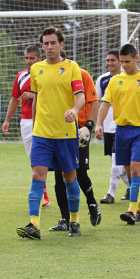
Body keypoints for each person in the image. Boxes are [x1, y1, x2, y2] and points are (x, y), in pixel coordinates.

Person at [17, 26, 85, 240]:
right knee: (37, 175)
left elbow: (80, 95)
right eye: (45, 43)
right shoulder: (36, 69)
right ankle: (34, 224)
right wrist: (36, 124)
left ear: (61, 44)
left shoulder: (72, 67)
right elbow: (37, 97)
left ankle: (74, 221)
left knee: (69, 178)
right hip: (42, 134)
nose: (49, 47)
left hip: (65, 135)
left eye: (53, 43)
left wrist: (74, 110)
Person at [96, 43, 140, 224]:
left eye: (127, 61)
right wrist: (98, 124)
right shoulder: (115, 81)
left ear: (136, 58)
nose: (124, 65)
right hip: (122, 131)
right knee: (129, 172)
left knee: (136, 170)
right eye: (122, 62)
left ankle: (131, 211)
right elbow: (105, 103)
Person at [51, 64, 101, 231]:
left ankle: (92, 202)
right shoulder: (52, 76)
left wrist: (88, 125)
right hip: (59, 131)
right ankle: (65, 219)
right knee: (59, 176)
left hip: (79, 132)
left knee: (79, 173)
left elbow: (94, 101)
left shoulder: (82, 74)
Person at [1, 45, 51, 206]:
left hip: (46, 120)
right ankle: (44, 195)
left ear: (39, 58)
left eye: (32, 58)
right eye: (27, 58)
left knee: (48, 159)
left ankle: (49, 195)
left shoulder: (47, 73)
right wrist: (7, 120)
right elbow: (15, 99)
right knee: (34, 159)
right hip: (27, 122)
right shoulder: (21, 76)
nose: (29, 61)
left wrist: (33, 95)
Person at [95, 50, 129, 204]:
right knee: (117, 163)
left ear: (120, 62)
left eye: (113, 60)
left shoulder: (127, 79)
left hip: (122, 126)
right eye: (107, 60)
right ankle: (131, 188)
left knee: (117, 161)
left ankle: (111, 193)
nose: (110, 63)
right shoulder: (102, 80)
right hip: (107, 127)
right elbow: (99, 104)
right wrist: (98, 124)